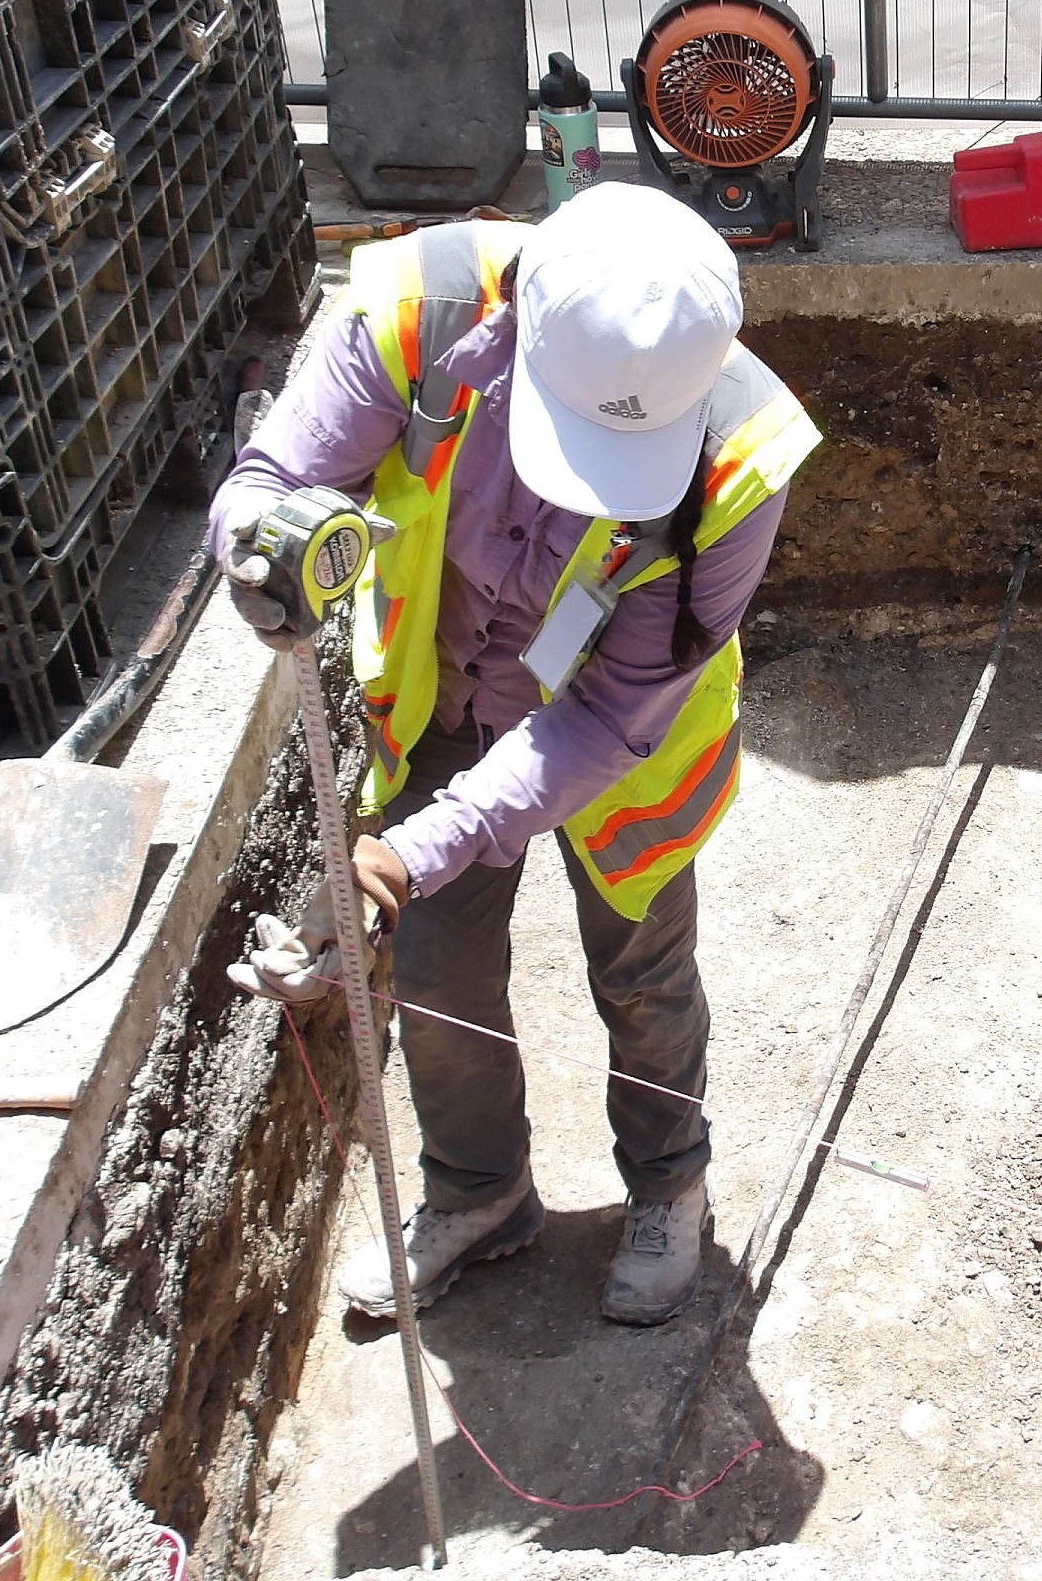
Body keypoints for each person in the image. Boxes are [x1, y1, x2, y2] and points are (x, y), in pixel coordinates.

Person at [212, 183, 819, 1324]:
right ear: (520, 330)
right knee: (437, 968)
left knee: (641, 975)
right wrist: (262, 548)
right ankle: (479, 1194)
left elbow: (612, 713)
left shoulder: (740, 458)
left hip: (626, 755)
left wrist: (412, 851)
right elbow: (276, 481)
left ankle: (669, 1186)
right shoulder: (417, 315)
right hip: (445, 693)